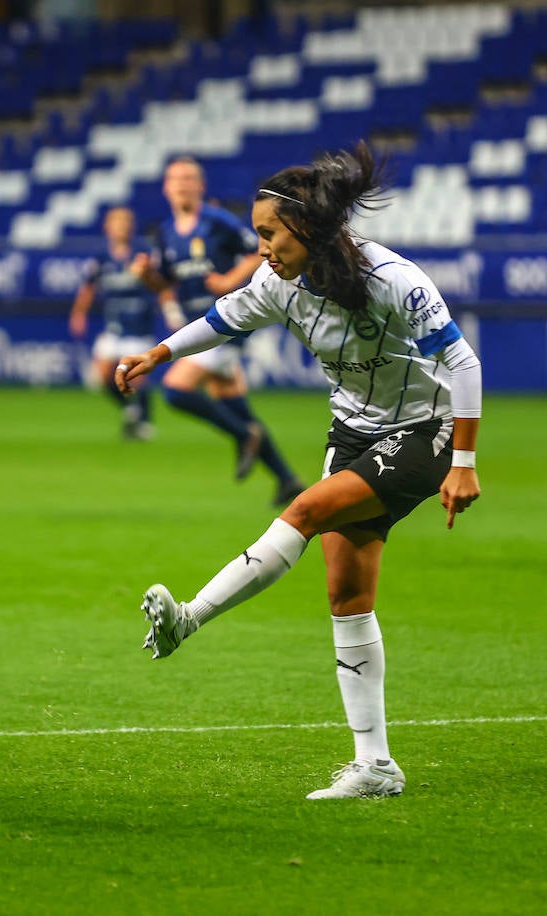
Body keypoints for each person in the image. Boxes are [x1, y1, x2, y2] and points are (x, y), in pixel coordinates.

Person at [116, 142, 482, 800]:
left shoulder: (392, 278)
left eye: (268, 234)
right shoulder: (279, 284)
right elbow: (223, 320)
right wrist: (158, 354)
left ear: (308, 229)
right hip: (353, 431)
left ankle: (188, 619)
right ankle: (375, 766)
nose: (261, 248)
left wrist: (463, 462)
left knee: (305, 510)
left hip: (425, 430)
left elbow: (465, 366)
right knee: (346, 595)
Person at [142, 155, 305, 507]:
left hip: (227, 323)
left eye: (189, 178)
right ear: (166, 188)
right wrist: (147, 278)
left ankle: (243, 435)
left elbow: (259, 251)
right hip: (195, 326)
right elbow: (166, 281)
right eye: (176, 179)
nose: (183, 184)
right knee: (234, 403)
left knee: (175, 390)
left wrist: (230, 280)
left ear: (200, 185)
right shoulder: (167, 231)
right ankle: (287, 479)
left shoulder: (217, 221)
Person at [68, 206, 182, 440]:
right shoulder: (101, 258)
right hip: (113, 327)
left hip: (139, 326)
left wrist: (171, 311)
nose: (122, 227)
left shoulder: (143, 253)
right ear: (107, 227)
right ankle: (132, 410)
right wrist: (79, 314)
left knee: (137, 377)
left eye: (126, 222)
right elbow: (87, 289)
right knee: (99, 378)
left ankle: (144, 423)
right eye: (117, 222)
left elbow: (161, 285)